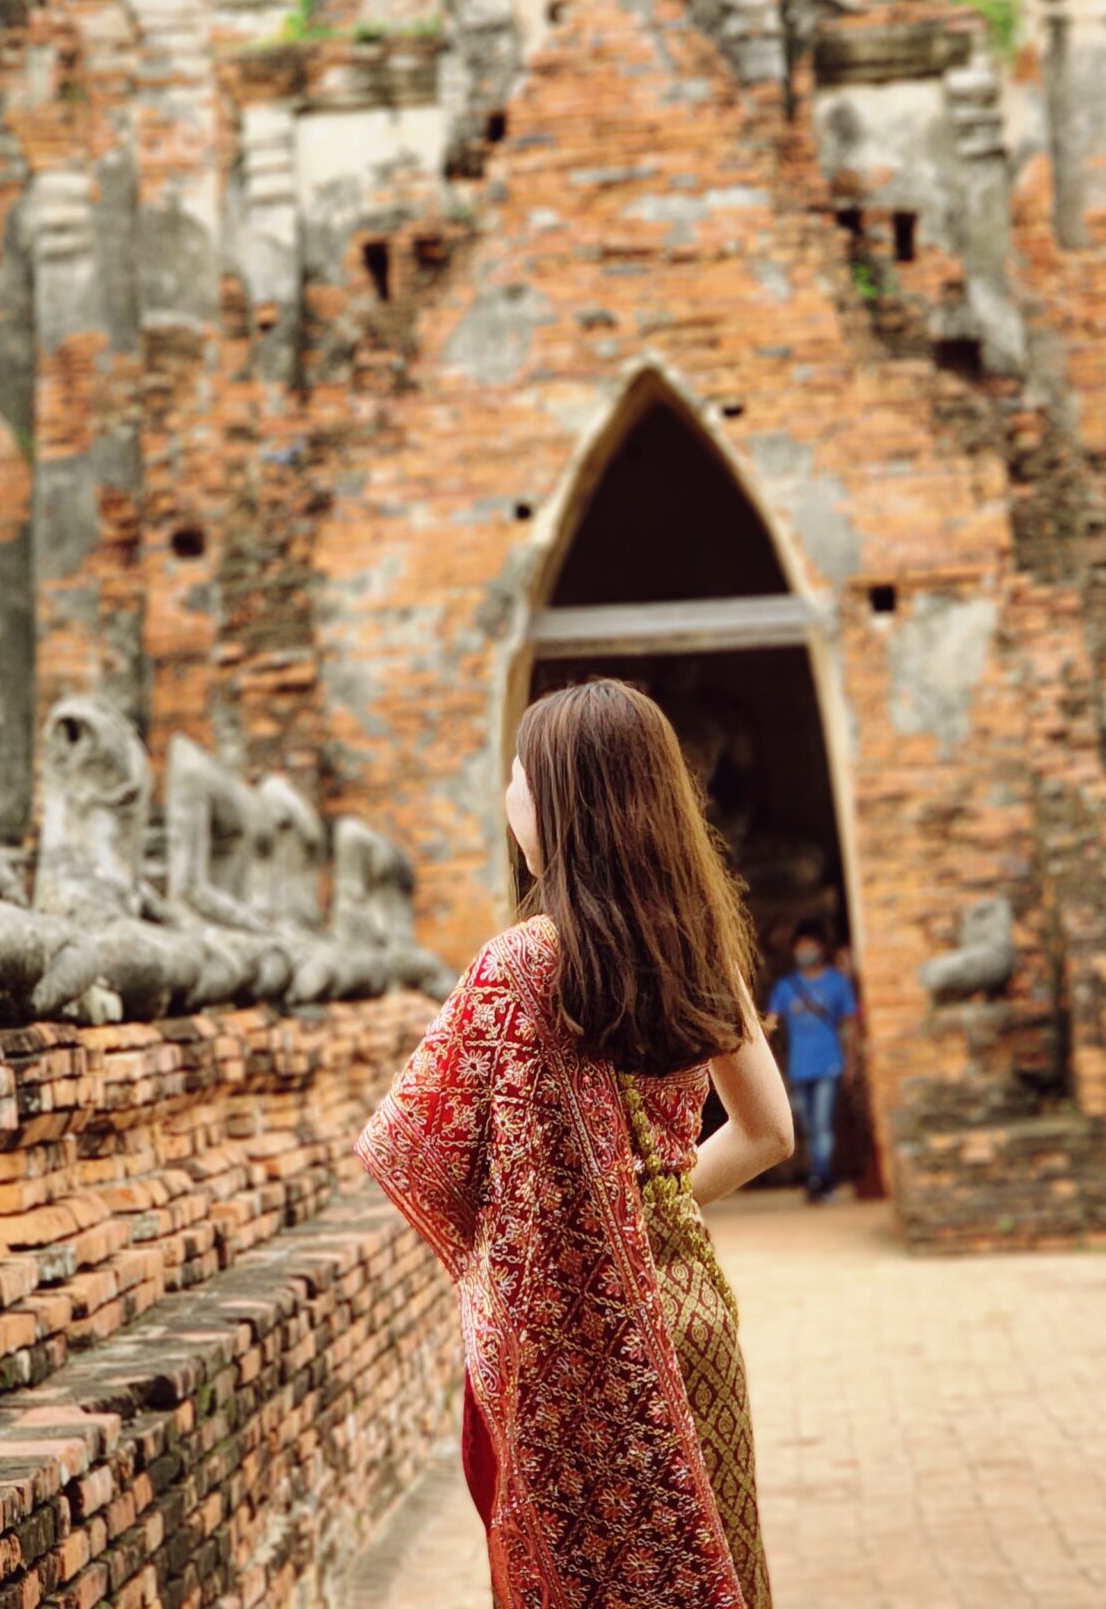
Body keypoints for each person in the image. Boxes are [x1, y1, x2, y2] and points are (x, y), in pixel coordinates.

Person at [359, 680, 793, 1609]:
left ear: (553, 801)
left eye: (516, 779)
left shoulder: (516, 964)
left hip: (568, 1346)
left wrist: (581, 1236)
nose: (508, 800)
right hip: (691, 1317)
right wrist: (644, 1211)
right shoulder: (698, 944)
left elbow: (411, 1150)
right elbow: (769, 1133)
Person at [763, 922, 857, 1202]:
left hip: (829, 1062)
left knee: (822, 1123)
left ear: (820, 949)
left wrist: (852, 1061)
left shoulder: (836, 983)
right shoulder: (786, 986)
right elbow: (770, 1025)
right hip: (799, 1067)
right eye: (801, 946)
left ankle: (819, 1180)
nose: (805, 951)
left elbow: (851, 1024)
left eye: (810, 946)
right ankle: (821, 1178)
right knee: (808, 1124)